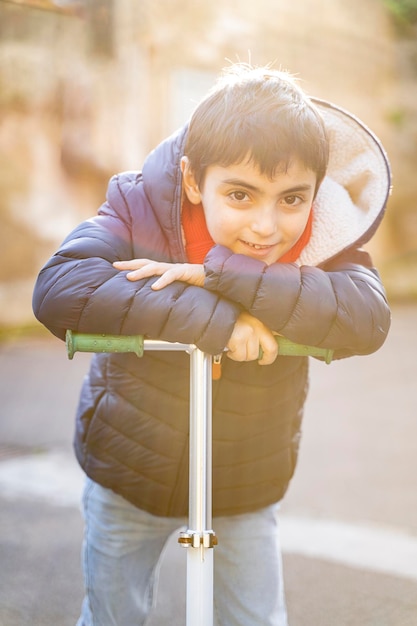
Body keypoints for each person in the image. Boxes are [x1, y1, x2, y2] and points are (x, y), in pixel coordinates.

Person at [32, 63, 391, 626]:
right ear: (195, 180)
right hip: (129, 464)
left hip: (245, 475)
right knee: (111, 615)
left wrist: (219, 271)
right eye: (242, 195)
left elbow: (366, 318)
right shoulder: (140, 205)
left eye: (292, 198)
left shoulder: (327, 234)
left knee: (255, 617)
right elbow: (60, 289)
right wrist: (221, 321)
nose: (267, 227)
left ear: (315, 192)